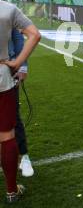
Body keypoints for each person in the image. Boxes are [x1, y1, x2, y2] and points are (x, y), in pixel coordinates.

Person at [0, 1, 41, 203]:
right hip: (1, 75)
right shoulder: (7, 9)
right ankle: (11, 191)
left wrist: (20, 65)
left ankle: (22, 162)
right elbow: (35, 34)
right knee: (7, 134)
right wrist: (17, 63)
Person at [8, 29, 34, 178]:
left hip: (8, 71)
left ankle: (24, 156)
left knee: (13, 116)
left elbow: (18, 37)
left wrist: (22, 66)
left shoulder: (7, 10)